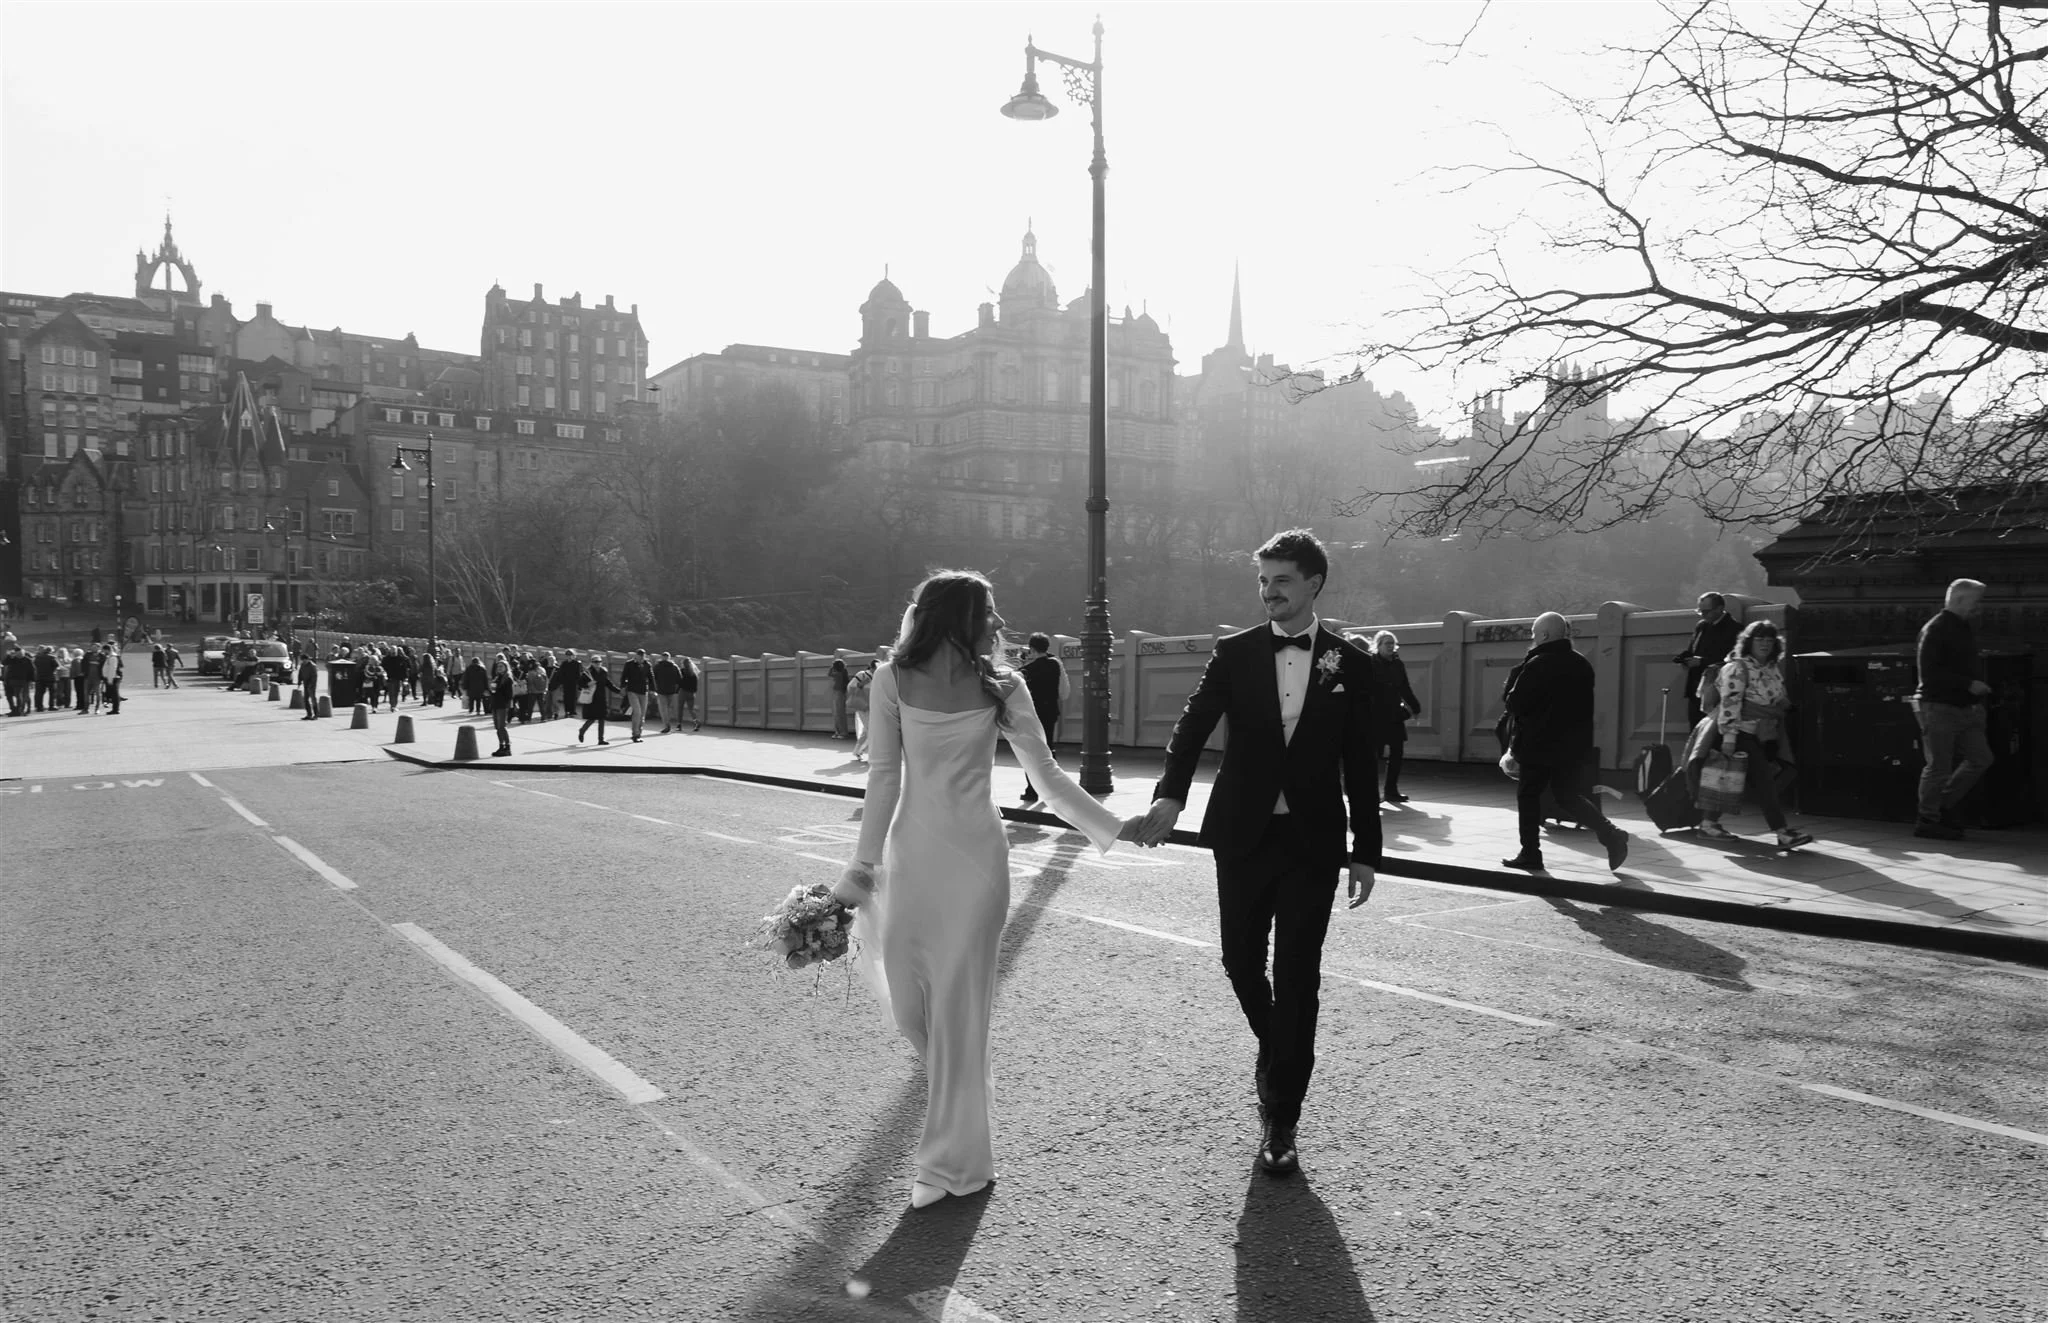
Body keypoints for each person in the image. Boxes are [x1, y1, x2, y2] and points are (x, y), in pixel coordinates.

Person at [832, 570, 1144, 1209]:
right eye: (990, 613)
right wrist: (861, 871)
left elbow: (1048, 778)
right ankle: (965, 1114)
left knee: (958, 1011)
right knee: (910, 1010)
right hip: (912, 859)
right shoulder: (891, 681)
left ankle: (952, 1163)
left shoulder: (1006, 685)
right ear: (957, 618)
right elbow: (884, 778)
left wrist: (1117, 827)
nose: (999, 625)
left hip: (976, 861)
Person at [1132, 528, 1382, 1179]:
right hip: (1242, 833)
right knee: (1240, 960)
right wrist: (1170, 797)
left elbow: (1360, 759)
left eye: (1281, 581)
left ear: (1313, 584)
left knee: (1299, 973)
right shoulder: (1234, 652)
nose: (1269, 592)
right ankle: (1281, 1049)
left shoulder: (1349, 663)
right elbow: (1192, 724)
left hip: (1313, 843)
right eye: (1263, 581)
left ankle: (1282, 1117)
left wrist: (1366, 849)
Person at [1499, 612, 1631, 874]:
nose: (1533, 638)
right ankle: (1611, 834)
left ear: (1545, 635)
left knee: (1528, 796)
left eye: (1535, 634)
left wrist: (1517, 675)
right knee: (1568, 795)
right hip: (1572, 746)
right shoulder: (1581, 663)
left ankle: (1530, 854)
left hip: (1538, 744)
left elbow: (1515, 703)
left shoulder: (1537, 663)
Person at [1696, 619, 1812, 849]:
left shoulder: (1771, 668)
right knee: (1764, 781)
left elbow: (1777, 696)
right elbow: (1731, 702)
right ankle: (1782, 832)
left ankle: (1708, 824)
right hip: (1740, 732)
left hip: (1765, 733)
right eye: (1759, 639)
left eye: (1769, 640)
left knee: (1731, 778)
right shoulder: (1737, 668)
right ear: (1748, 642)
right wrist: (1729, 738)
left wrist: (1789, 707)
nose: (1765, 644)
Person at [1913, 578, 1995, 841]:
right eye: (1975, 601)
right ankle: (1928, 818)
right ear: (1959, 600)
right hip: (1939, 706)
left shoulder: (1962, 627)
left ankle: (1940, 806)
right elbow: (1930, 673)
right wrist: (1968, 684)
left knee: (1981, 758)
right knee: (1939, 765)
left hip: (1964, 707)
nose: (1978, 607)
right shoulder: (1935, 629)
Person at [1367, 630, 1422, 803]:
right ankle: (1371, 793)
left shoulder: (1398, 664)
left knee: (1397, 753)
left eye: (1392, 643)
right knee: (1375, 756)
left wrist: (1415, 706)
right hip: (1376, 715)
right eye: (1386, 643)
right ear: (1378, 645)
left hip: (1394, 715)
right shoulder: (1371, 663)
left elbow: (1404, 687)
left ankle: (1391, 790)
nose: (1390, 646)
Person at [1015, 632, 1070, 805]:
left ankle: (1032, 790)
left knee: (1032, 752)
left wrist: (1023, 662)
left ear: (1031, 648)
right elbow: (1064, 693)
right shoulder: (1055, 664)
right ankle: (1054, 788)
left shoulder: (1026, 670)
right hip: (1050, 714)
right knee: (1048, 750)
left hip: (1031, 716)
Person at [1673, 592, 1741, 729]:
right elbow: (1693, 649)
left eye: (1706, 611)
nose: (1703, 615)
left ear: (1719, 608)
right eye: (1700, 611)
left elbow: (1734, 661)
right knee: (1695, 729)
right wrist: (1685, 659)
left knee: (1713, 732)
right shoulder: (1702, 626)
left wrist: (1703, 662)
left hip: (1718, 689)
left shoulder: (1735, 629)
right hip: (1696, 688)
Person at [577, 654, 617, 745]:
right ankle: (582, 730)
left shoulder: (603, 671)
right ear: (592, 663)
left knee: (602, 719)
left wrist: (617, 691)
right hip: (592, 698)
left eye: (599, 662)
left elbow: (608, 683)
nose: (598, 663)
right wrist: (588, 685)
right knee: (592, 719)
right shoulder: (587, 672)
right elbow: (579, 684)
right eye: (595, 662)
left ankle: (601, 739)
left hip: (601, 698)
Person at [621, 648, 653, 742]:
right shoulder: (629, 664)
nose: (641, 657)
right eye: (640, 656)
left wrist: (653, 690)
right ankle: (635, 734)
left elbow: (651, 678)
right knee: (637, 712)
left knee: (642, 714)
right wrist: (623, 687)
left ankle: (639, 733)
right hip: (632, 691)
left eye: (643, 656)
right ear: (636, 656)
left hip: (643, 691)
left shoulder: (647, 665)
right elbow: (624, 676)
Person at [489, 655, 516, 757]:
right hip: (495, 704)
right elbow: (493, 690)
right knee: (497, 727)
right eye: (498, 666)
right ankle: (501, 746)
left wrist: (497, 692)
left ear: (506, 667)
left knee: (502, 726)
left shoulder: (507, 679)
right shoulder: (497, 678)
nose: (499, 668)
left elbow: (509, 695)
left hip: (502, 705)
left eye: (501, 666)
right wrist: (492, 690)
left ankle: (507, 747)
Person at [653, 652, 683, 732]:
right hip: (672, 691)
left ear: (662, 657)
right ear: (669, 658)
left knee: (664, 709)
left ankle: (667, 725)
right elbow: (680, 679)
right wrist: (676, 689)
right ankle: (678, 724)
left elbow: (652, 678)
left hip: (661, 690)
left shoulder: (657, 667)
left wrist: (654, 688)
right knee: (672, 708)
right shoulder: (674, 667)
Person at [827, 658, 852, 739]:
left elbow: (829, 673)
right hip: (840, 692)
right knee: (838, 712)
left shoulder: (838, 673)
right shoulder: (843, 672)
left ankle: (842, 732)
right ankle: (839, 732)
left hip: (838, 692)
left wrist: (832, 667)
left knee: (839, 713)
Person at [678, 654, 701, 731]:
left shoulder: (682, 671)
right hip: (691, 693)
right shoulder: (694, 674)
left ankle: (679, 725)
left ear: (684, 664)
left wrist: (677, 689)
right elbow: (695, 686)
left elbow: (680, 682)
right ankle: (696, 722)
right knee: (691, 709)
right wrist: (693, 692)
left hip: (683, 692)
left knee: (680, 708)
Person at [100, 643, 124, 715]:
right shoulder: (110, 657)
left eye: (104, 650)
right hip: (110, 678)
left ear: (107, 650)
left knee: (115, 694)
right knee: (113, 694)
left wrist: (110, 679)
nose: (103, 652)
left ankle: (115, 709)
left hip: (113, 678)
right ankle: (114, 709)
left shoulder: (113, 657)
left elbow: (112, 669)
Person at [33, 646, 57, 710]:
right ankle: (51, 706)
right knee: (52, 692)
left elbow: (35, 666)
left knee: (39, 693)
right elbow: (56, 665)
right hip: (50, 677)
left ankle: (39, 707)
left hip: (39, 677)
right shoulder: (51, 657)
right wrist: (52, 670)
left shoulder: (37, 658)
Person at [298, 654, 320, 720]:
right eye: (302, 660)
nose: (303, 662)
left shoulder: (313, 666)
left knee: (313, 699)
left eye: (304, 660)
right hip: (305, 683)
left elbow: (314, 677)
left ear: (307, 659)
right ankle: (309, 714)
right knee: (305, 699)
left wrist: (311, 685)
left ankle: (316, 715)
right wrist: (299, 681)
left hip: (311, 685)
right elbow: (300, 673)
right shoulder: (302, 665)